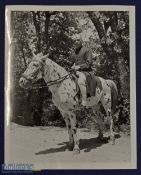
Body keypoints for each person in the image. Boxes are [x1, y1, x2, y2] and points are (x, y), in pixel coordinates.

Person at [71, 38, 93, 106]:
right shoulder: (73, 53)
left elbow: (89, 64)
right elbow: (72, 64)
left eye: (77, 40)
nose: (76, 42)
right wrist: (72, 67)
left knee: (80, 81)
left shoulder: (87, 50)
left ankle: (84, 101)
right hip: (75, 73)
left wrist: (79, 67)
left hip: (86, 72)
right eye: (74, 40)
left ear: (81, 41)